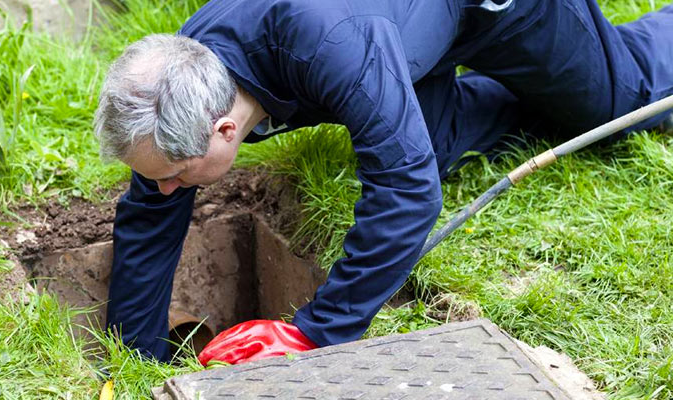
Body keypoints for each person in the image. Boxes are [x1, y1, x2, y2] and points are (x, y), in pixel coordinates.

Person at [93, 0, 673, 364]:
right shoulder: (191, 72)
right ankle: (541, 99)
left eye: (174, 177)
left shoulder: (330, 44)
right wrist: (138, 357)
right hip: (403, 32)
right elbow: (150, 211)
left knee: (618, 103)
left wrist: (316, 333)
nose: (164, 188)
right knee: (438, 144)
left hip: (495, 9)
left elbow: (409, 192)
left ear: (224, 131)